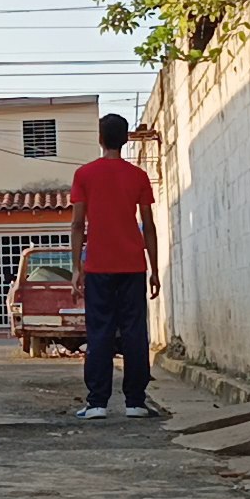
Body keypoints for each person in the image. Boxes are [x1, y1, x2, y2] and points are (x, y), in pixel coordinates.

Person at [68, 112, 160, 419]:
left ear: (100, 138)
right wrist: (154, 269)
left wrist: (76, 267)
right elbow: (148, 225)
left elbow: (77, 224)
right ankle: (135, 402)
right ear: (125, 139)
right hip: (133, 265)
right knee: (134, 331)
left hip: (98, 265)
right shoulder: (138, 176)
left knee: (100, 332)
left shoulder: (84, 175)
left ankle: (97, 403)